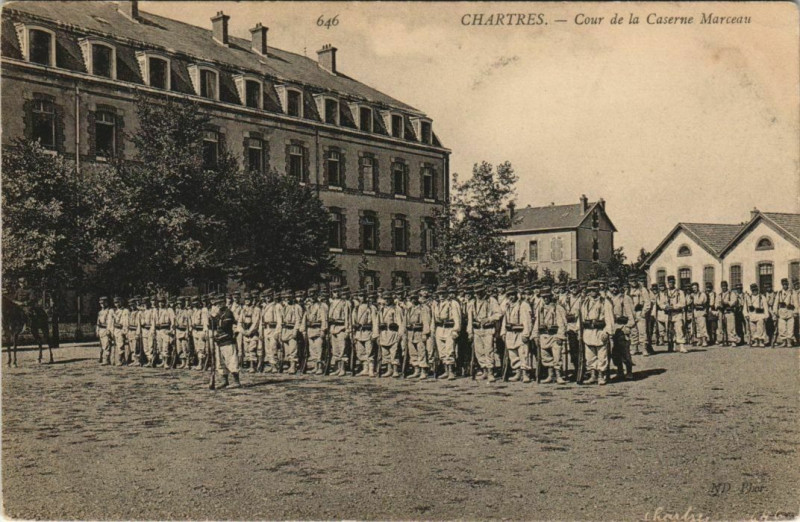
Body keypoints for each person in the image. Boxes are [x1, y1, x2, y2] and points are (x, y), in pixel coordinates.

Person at [580, 281, 614, 385]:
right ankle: (593, 375)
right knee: (590, 355)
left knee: (602, 355)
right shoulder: (584, 302)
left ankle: (601, 375)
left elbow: (609, 318)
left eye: (594, 290)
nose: (592, 292)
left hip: (600, 330)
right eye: (590, 290)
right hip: (588, 331)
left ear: (598, 290)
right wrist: (579, 331)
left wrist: (608, 332)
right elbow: (580, 318)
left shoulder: (605, 302)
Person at [533, 286, 567, 384]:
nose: (545, 299)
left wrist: (560, 336)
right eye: (543, 297)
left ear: (551, 297)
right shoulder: (540, 309)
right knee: (546, 356)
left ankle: (559, 376)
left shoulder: (558, 308)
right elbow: (537, 323)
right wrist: (535, 335)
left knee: (557, 356)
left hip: (555, 335)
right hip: (544, 335)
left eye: (547, 297)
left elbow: (562, 324)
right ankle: (550, 375)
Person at [468, 283, 502, 382]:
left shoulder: (491, 300)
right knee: (479, 351)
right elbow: (470, 319)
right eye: (476, 292)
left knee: (489, 350)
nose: (478, 294)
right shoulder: (473, 302)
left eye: (480, 291)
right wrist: (470, 332)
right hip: (477, 329)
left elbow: (498, 313)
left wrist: (489, 319)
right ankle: (484, 371)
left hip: (488, 329)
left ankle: (491, 372)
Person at [501, 287, 533, 383]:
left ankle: (525, 374)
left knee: (523, 353)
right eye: (509, 295)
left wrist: (526, 334)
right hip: (510, 332)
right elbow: (504, 319)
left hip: (520, 332)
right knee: (512, 354)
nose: (511, 297)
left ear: (516, 295)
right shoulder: (507, 306)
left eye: (513, 295)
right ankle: (517, 372)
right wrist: (503, 332)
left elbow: (527, 321)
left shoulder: (523, 305)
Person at [210, 296, 241, 389]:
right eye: (217, 303)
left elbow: (224, 325)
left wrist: (215, 319)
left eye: (220, 303)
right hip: (219, 341)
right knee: (220, 362)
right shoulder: (219, 313)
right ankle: (225, 380)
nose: (218, 305)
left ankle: (236, 381)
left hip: (227, 340)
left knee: (231, 361)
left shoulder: (228, 313)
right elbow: (214, 324)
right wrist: (211, 318)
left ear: (224, 303)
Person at [432, 286, 462, 380]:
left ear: (447, 294)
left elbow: (457, 318)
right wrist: (433, 330)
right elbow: (433, 318)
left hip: (449, 328)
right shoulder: (436, 304)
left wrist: (456, 330)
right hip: (440, 328)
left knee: (450, 350)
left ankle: (451, 372)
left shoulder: (452, 303)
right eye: (439, 294)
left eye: (442, 294)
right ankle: (446, 371)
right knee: (442, 351)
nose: (441, 296)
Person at [608, 281, 635, 379]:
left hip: (622, 327)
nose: (613, 289)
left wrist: (628, 326)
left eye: (615, 286)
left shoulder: (625, 298)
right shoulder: (608, 299)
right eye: (611, 286)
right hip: (612, 327)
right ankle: (620, 371)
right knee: (614, 352)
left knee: (624, 351)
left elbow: (631, 314)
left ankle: (629, 371)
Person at [377, 290, 405, 378]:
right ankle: (389, 370)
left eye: (388, 299)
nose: (387, 300)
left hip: (393, 332)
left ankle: (395, 370)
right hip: (384, 332)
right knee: (385, 352)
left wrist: (400, 334)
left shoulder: (396, 309)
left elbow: (400, 322)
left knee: (394, 351)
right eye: (385, 299)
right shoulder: (381, 309)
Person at [405, 288, 432, 380]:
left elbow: (426, 321)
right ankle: (416, 370)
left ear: (418, 298)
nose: (413, 300)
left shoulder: (423, 308)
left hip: (419, 333)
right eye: (411, 298)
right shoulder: (409, 309)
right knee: (413, 352)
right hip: (410, 333)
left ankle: (423, 371)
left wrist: (425, 333)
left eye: (415, 298)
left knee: (422, 352)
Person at [304, 288, 329, 375]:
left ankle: (320, 367)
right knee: (312, 349)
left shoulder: (321, 306)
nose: (311, 297)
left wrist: (323, 330)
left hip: (318, 329)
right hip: (310, 329)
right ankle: (315, 366)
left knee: (319, 349)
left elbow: (324, 319)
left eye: (313, 295)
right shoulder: (308, 306)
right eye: (309, 295)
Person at [327, 285, 351, 377]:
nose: (336, 293)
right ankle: (337, 368)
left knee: (342, 349)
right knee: (335, 350)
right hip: (333, 328)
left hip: (341, 328)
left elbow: (347, 318)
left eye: (337, 292)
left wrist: (347, 330)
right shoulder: (332, 303)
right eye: (334, 292)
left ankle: (343, 369)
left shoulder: (345, 303)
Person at [279, 290, 304, 374]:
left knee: (293, 349)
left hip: (292, 329)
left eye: (289, 297)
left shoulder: (297, 307)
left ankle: (293, 366)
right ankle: (289, 365)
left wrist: (295, 331)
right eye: (286, 298)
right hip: (285, 330)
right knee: (287, 350)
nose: (287, 299)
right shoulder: (284, 307)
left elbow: (298, 320)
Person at [628, 276, 654, 355]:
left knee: (642, 331)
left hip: (640, 312)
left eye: (634, 280)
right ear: (629, 282)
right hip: (631, 313)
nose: (633, 282)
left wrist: (644, 312)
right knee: (633, 331)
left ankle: (644, 348)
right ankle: (634, 348)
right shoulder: (627, 291)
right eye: (631, 280)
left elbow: (647, 302)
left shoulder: (642, 289)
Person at [261, 289, 283, 373]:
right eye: (266, 296)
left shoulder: (277, 306)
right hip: (266, 328)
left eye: (269, 296)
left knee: (273, 347)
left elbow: (279, 320)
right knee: (267, 348)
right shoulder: (264, 306)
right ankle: (271, 365)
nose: (267, 298)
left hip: (274, 328)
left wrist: (278, 331)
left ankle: (276, 365)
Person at [772, 278, 795, 347]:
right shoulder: (779, 293)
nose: (785, 286)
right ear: (782, 285)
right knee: (782, 328)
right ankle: (784, 342)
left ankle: (789, 342)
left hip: (790, 312)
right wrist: (775, 312)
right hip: (781, 313)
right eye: (783, 284)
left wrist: (796, 311)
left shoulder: (792, 292)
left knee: (790, 328)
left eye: (786, 284)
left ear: (788, 285)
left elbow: (796, 303)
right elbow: (776, 303)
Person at [690, 282, 710, 347]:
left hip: (701, 311)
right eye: (693, 288)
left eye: (695, 287)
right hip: (695, 312)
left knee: (702, 326)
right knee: (697, 327)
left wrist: (696, 303)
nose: (694, 289)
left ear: (698, 287)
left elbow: (702, 302)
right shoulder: (692, 295)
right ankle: (699, 340)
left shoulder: (702, 294)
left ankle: (704, 341)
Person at [111, 297, 129, 366]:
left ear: (121, 302)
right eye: (115, 303)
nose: (117, 304)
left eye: (118, 302)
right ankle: (119, 359)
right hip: (115, 329)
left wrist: (125, 330)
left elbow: (125, 322)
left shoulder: (125, 311)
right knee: (116, 345)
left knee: (120, 345)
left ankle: (120, 360)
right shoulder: (114, 311)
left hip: (121, 329)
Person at [96, 296, 114, 366]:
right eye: (101, 303)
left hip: (106, 329)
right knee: (101, 345)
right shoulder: (100, 312)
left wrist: (109, 330)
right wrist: (97, 330)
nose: (102, 305)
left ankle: (106, 359)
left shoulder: (110, 311)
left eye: (103, 303)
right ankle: (101, 358)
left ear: (107, 303)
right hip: (101, 329)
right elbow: (98, 321)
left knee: (106, 345)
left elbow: (110, 322)